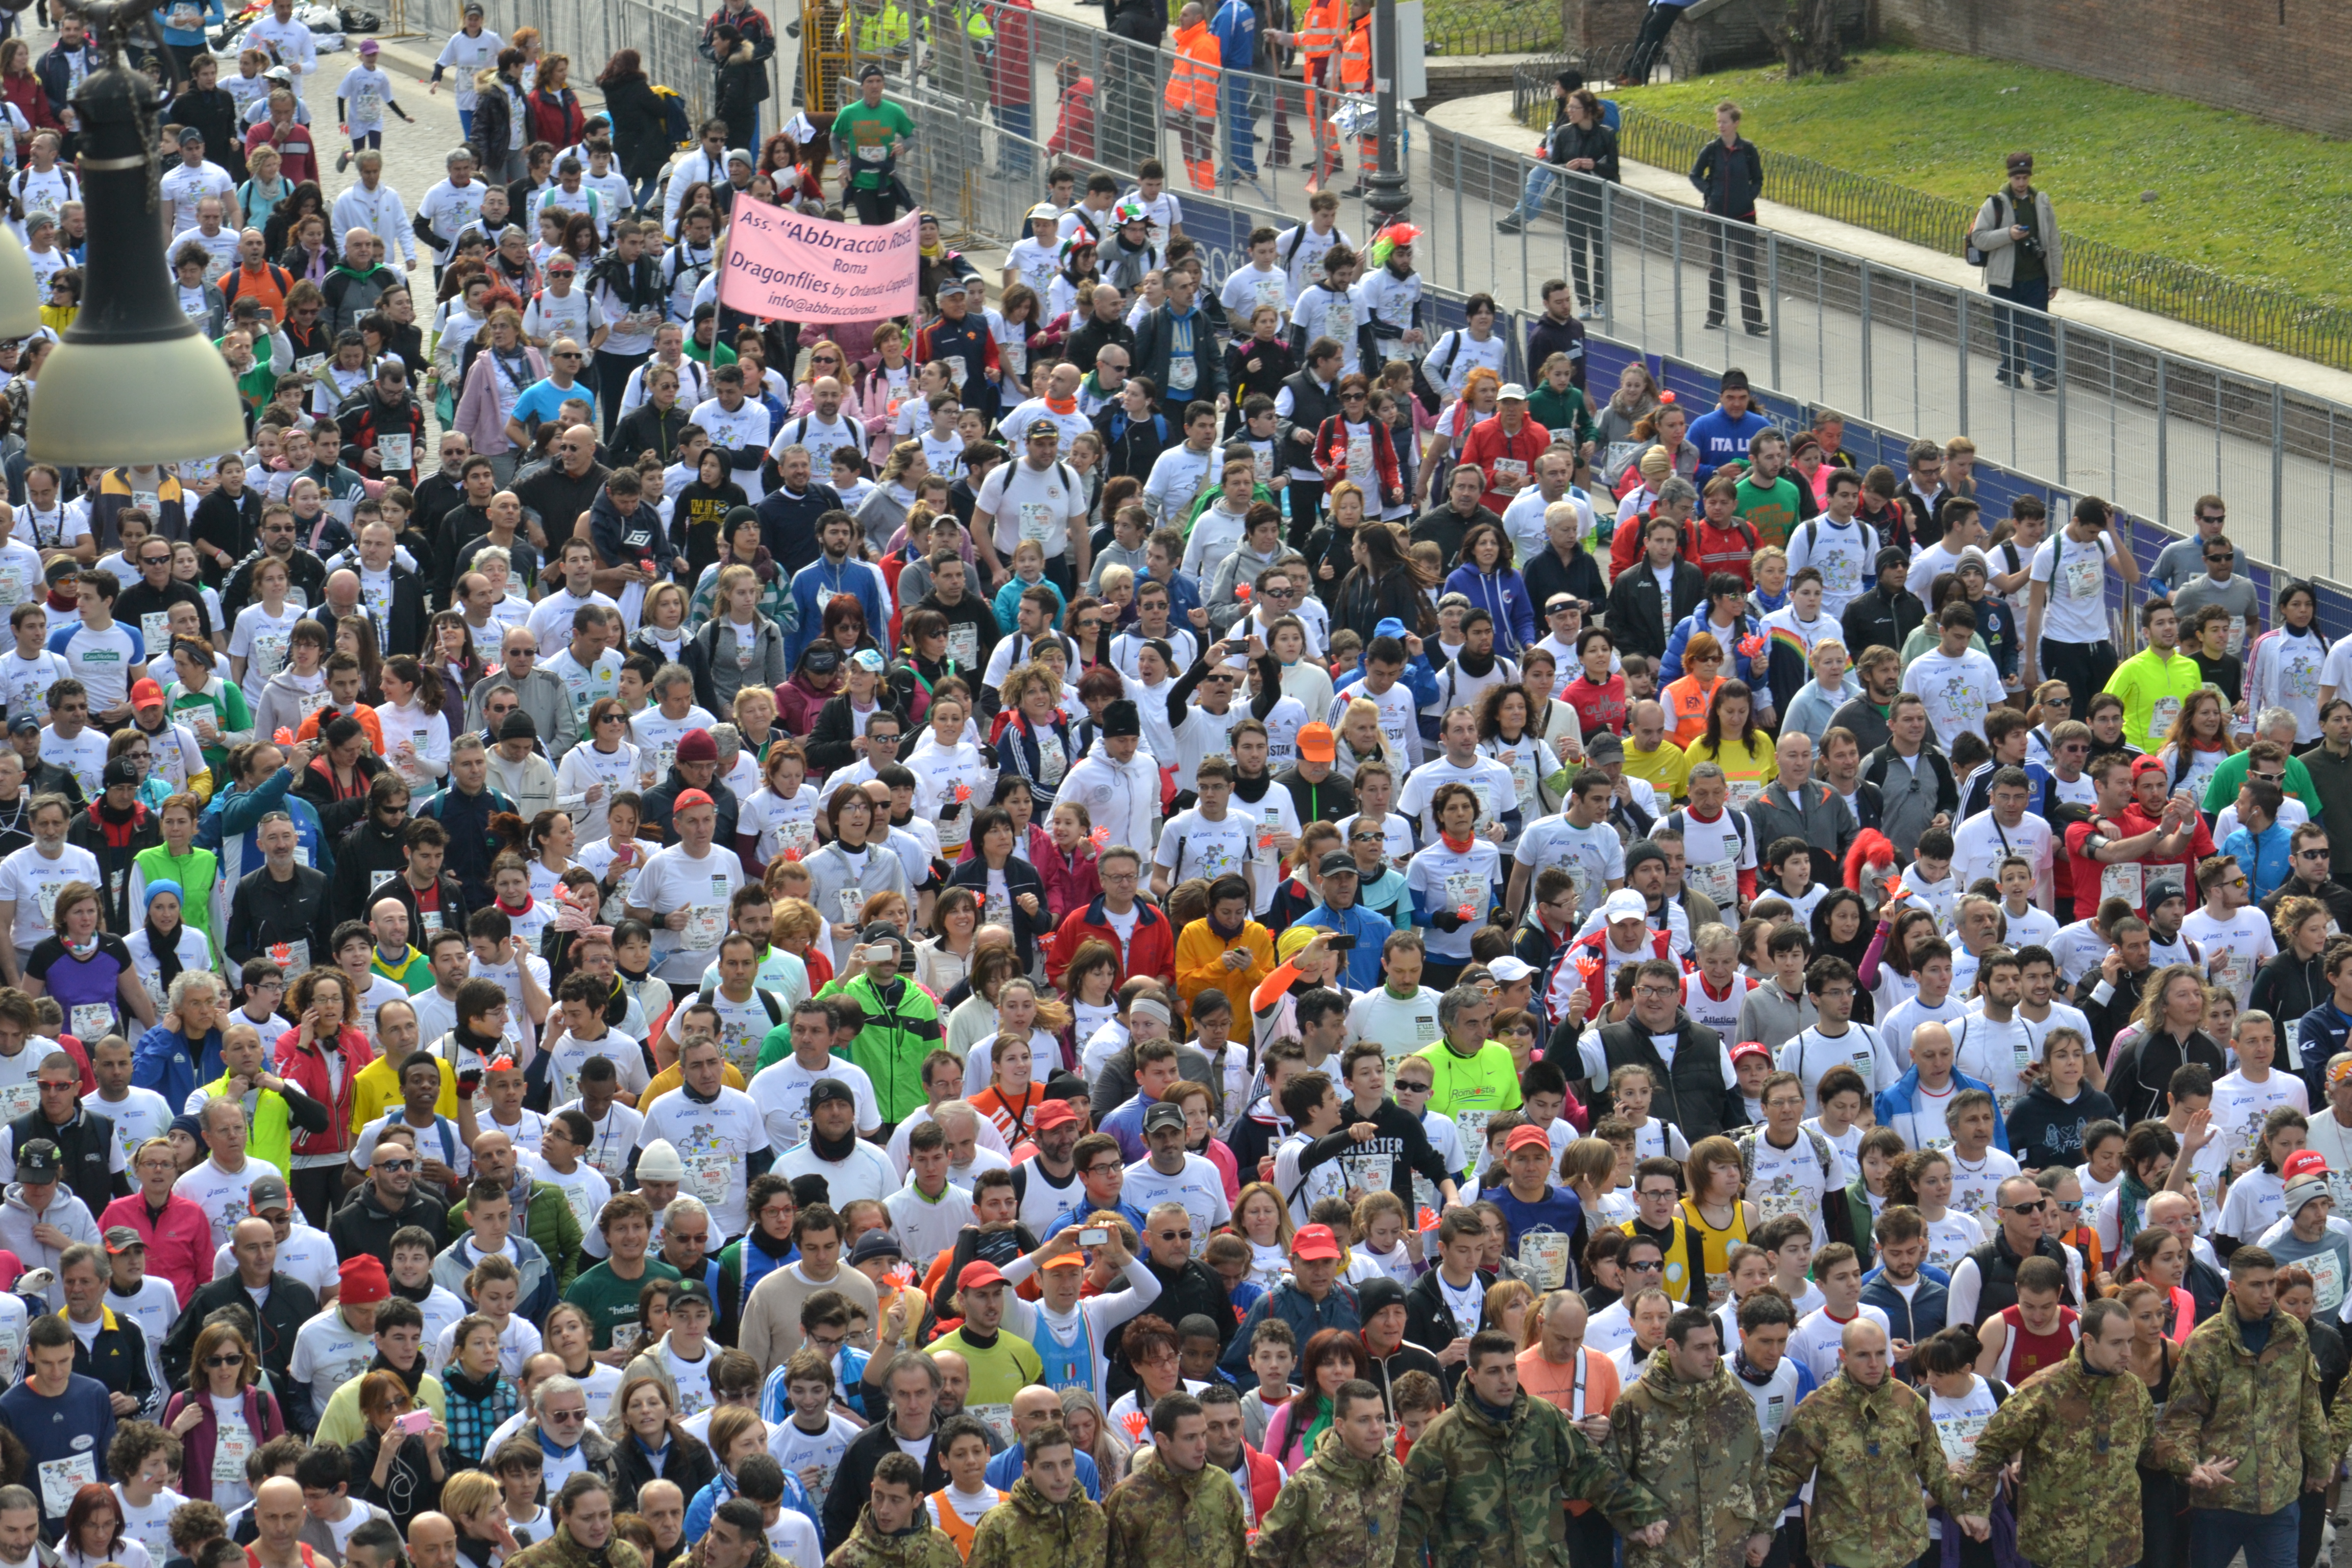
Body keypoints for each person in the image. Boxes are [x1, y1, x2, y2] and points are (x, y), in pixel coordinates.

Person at [2150, 1245, 2335, 1568]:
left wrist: (2320, 1465)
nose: (2267, 1294)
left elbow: (2308, 1407)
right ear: (2234, 1288)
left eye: (2270, 1284)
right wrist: (2188, 1466)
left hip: (2279, 1495)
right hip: (2220, 1499)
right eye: (2256, 1285)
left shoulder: (2292, 1334)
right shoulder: (2207, 1342)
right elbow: (2183, 1417)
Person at [1969, 153, 2062, 393]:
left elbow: (2053, 242)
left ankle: (2044, 376)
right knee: (2007, 328)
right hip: (2004, 281)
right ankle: (2010, 373)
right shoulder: (1995, 204)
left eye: (2025, 177)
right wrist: (2008, 235)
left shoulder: (2041, 202)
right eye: (2017, 178)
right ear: (2010, 178)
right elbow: (1978, 238)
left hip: (2036, 279)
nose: (2021, 183)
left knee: (2037, 326)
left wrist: (2055, 280)